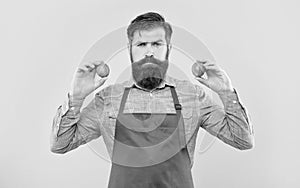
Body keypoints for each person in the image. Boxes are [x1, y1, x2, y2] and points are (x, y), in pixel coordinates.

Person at [50, 12, 254, 188]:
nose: (149, 52)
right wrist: (76, 99)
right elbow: (60, 145)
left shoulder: (192, 95)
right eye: (141, 44)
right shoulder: (109, 99)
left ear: (168, 49)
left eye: (157, 44)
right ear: (130, 49)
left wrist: (226, 94)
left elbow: (242, 141)